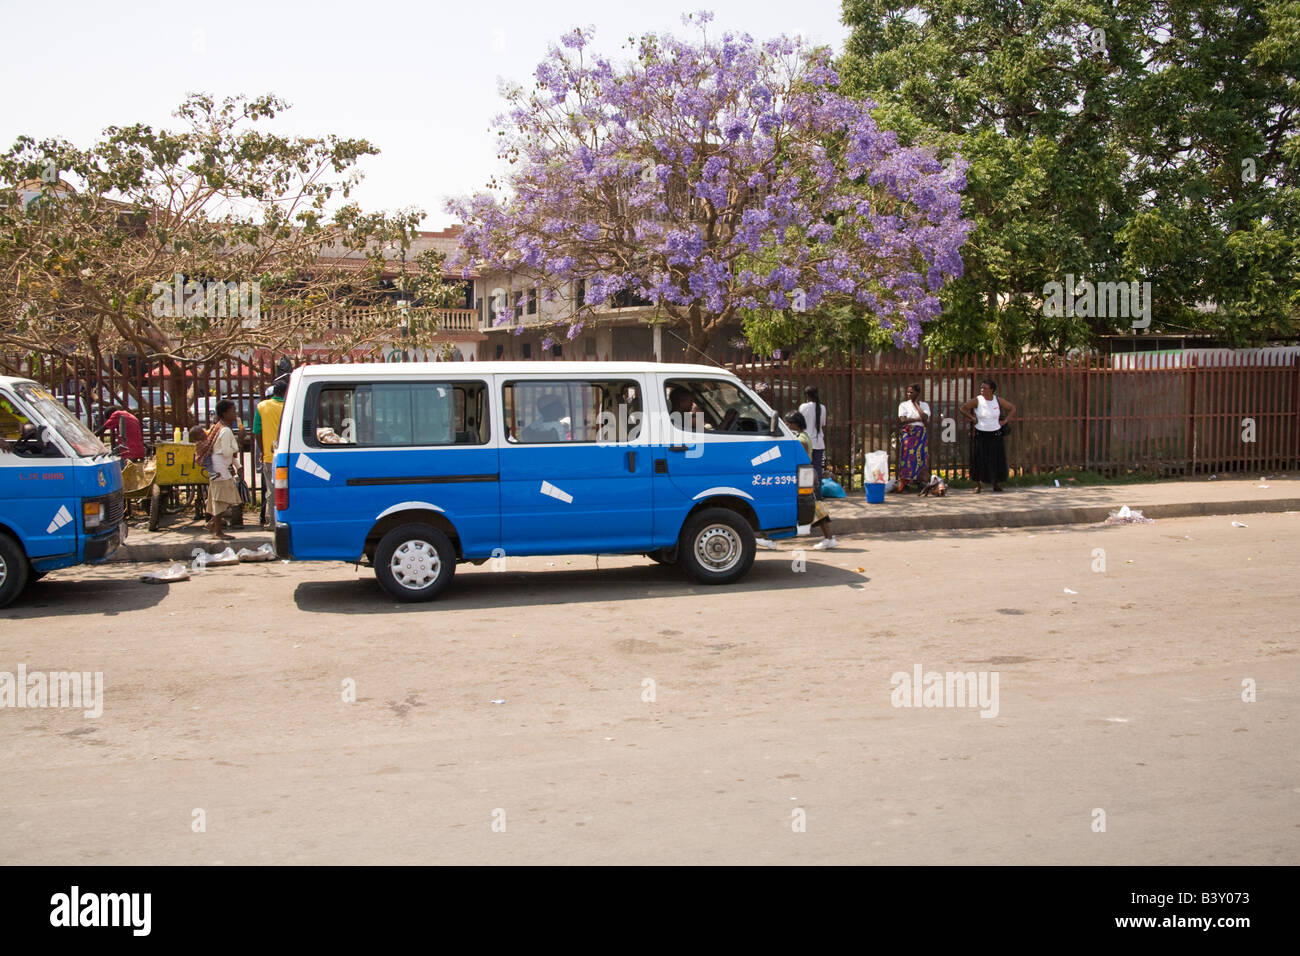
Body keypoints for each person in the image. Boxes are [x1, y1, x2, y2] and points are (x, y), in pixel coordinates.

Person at [785, 410, 838, 549]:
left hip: (805, 474)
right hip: (805, 473)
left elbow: (799, 458)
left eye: (788, 423)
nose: (786, 425)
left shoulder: (801, 440)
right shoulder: (803, 436)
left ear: (794, 424)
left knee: (815, 506)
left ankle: (829, 538)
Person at [960, 378, 1017, 493]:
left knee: (995, 459)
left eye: (985, 388)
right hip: (981, 433)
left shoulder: (997, 400)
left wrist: (1005, 421)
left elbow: (1012, 408)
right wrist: (972, 418)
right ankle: (978, 485)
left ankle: (996, 483)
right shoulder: (978, 400)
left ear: (991, 390)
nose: (982, 390)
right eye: (981, 387)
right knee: (979, 459)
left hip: (995, 434)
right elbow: (963, 408)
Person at [252, 376, 288, 527]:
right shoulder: (290, 405)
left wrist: (262, 450)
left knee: (272, 490)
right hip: (289, 454)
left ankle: (273, 522)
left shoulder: (262, 406)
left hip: (270, 455)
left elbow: (257, 431)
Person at [204, 400, 242, 539]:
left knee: (222, 497)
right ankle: (217, 531)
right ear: (225, 413)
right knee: (222, 499)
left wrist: (238, 466)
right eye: (233, 411)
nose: (235, 414)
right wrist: (239, 444)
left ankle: (213, 523)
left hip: (218, 467)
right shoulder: (225, 431)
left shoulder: (219, 427)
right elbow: (227, 452)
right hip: (220, 468)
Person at [894, 384, 931, 492]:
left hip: (920, 434)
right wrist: (918, 419)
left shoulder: (924, 405)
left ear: (918, 393)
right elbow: (903, 420)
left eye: (912, 392)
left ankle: (920, 482)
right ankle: (905, 483)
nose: (909, 394)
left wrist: (916, 404)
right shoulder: (903, 405)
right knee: (907, 458)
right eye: (908, 392)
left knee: (921, 458)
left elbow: (925, 418)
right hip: (909, 433)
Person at [798, 386, 827, 499]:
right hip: (819, 442)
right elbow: (823, 424)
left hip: (806, 442)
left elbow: (800, 423)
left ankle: (807, 494)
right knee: (817, 469)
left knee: (805, 468)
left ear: (806, 395)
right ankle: (818, 495)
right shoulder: (822, 408)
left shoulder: (803, 407)